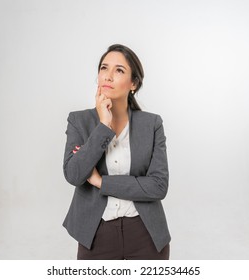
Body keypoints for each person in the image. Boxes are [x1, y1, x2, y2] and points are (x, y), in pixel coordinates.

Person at [63, 44, 171, 260]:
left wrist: (101, 182)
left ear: (134, 83)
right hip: (94, 234)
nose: (108, 76)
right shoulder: (79, 121)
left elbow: (158, 186)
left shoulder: (152, 124)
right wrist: (103, 126)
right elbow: (74, 175)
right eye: (104, 68)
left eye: (119, 70)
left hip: (146, 234)